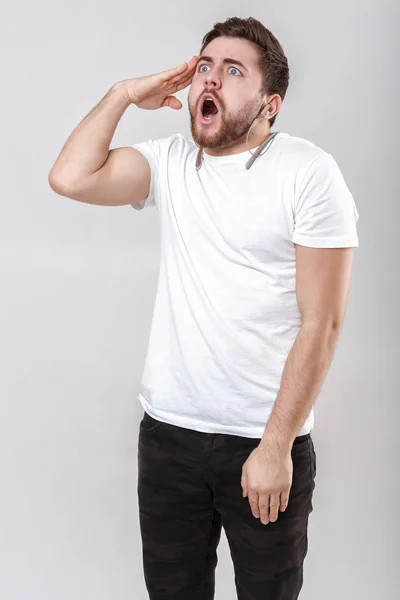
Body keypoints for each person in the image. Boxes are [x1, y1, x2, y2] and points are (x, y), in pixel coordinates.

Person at [48, 15, 359, 600]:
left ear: (271, 106)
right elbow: (69, 177)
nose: (210, 80)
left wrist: (274, 448)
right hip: (168, 438)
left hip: (262, 442)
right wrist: (121, 94)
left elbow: (324, 324)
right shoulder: (169, 163)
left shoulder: (308, 174)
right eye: (205, 66)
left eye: (232, 70)